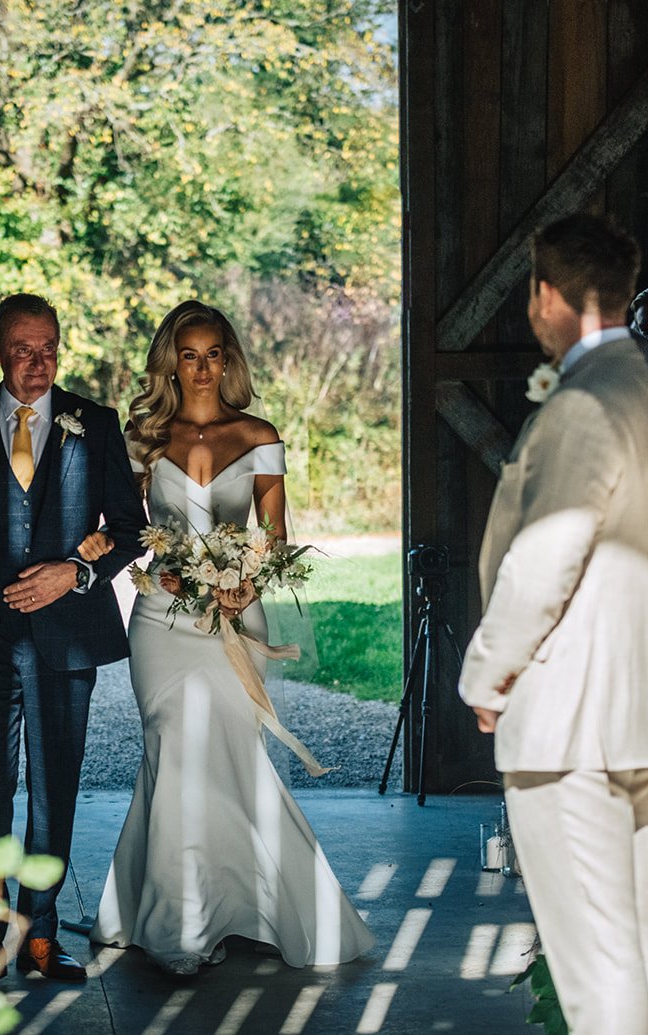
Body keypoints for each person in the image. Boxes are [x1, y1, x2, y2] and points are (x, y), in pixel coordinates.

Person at [88, 300, 374, 976]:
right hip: (161, 619)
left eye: (213, 353)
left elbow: (273, 535)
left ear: (228, 359)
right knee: (172, 749)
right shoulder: (144, 438)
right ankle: (180, 924)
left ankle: (238, 906)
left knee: (226, 757)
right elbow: (131, 530)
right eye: (188, 354)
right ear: (172, 362)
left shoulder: (259, 435)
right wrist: (151, 567)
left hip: (236, 619)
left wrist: (247, 582)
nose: (202, 367)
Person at [460, 214, 648, 1035]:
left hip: (571, 711)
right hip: (625, 707)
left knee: (593, 952)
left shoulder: (586, 403)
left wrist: (489, 674)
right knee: (635, 933)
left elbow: (546, 557)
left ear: (547, 296)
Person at [0, 293, 147, 983]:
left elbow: (129, 529)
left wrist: (74, 572)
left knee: (56, 787)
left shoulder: (93, 425)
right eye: (23, 349)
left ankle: (40, 939)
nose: (38, 364)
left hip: (66, 639)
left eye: (49, 349)